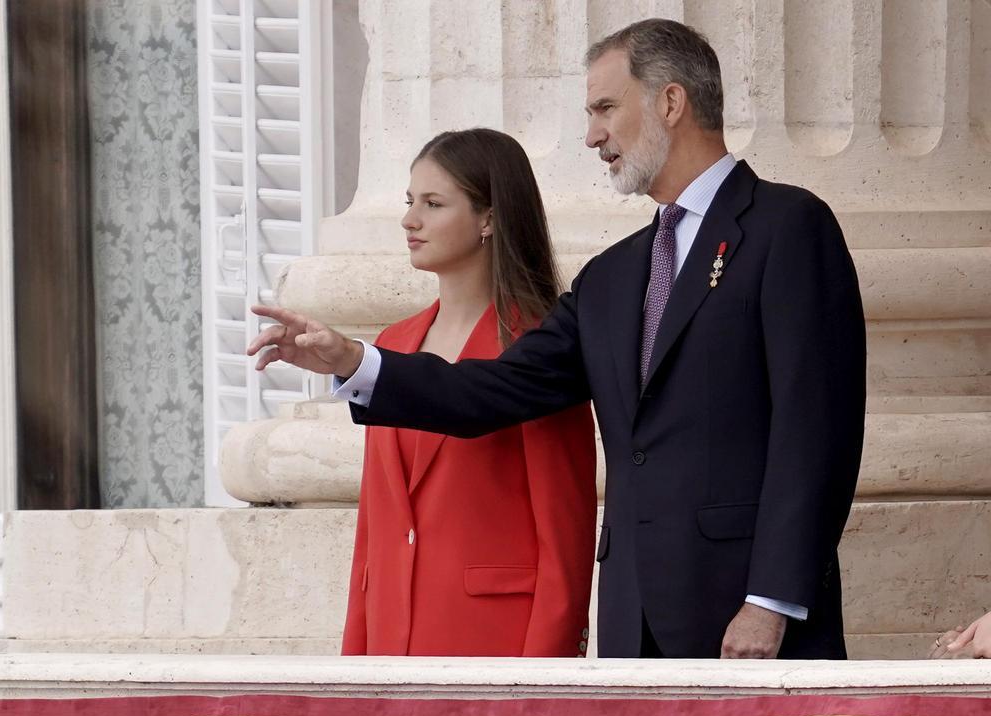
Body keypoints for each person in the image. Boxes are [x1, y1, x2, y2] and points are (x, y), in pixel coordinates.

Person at [249, 19, 866, 659]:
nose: (592, 134)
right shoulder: (612, 277)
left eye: (605, 108)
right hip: (634, 624)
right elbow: (492, 389)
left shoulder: (788, 228)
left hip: (750, 618)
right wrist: (355, 361)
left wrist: (770, 601)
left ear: (671, 102)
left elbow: (817, 431)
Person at [340, 129, 597, 657]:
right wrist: (355, 664)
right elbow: (374, 533)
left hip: (496, 648)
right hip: (390, 645)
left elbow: (565, 535)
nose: (410, 220)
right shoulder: (391, 346)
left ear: (489, 218)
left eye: (433, 204)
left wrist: (542, 685)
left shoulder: (539, 349)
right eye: (410, 202)